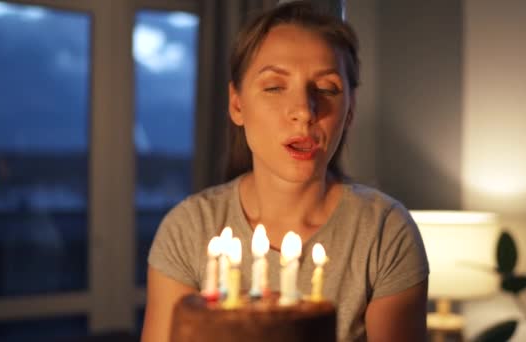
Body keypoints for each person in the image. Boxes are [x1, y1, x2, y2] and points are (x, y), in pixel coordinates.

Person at [141, 2, 429, 341]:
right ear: (237, 105)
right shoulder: (190, 231)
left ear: (349, 112)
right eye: (275, 86)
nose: (304, 112)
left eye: (326, 89)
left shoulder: (383, 234)